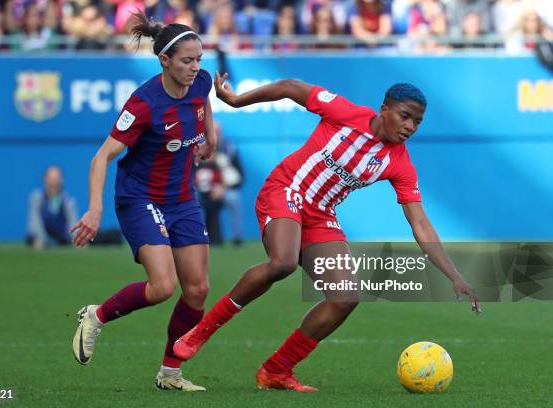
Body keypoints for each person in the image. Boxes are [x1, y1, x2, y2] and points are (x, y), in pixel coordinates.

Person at [173, 73, 481, 392]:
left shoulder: (400, 163)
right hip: (286, 190)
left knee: (345, 298)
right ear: (384, 109)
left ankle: (276, 370)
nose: (410, 127)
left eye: (417, 122)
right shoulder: (344, 112)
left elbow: (420, 223)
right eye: (405, 116)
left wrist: (455, 276)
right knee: (283, 263)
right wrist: (236, 100)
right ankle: (201, 331)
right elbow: (290, 87)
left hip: (320, 215)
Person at [70, 13, 217, 392]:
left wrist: (210, 136)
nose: (196, 67)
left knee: (198, 289)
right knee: (163, 286)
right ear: (164, 60)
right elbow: (101, 157)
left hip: (181, 197)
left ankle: (170, 373)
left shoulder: (200, 81)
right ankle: (96, 316)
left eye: (199, 58)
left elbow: (205, 101)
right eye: (187, 60)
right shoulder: (143, 104)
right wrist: (94, 208)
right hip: (140, 197)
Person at [26, 165, 78, 249]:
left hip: (61, 237)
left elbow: (73, 223)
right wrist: (42, 239)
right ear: (45, 179)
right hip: (41, 236)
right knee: (31, 238)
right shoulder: (36, 198)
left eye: (57, 177)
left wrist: (76, 240)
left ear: (62, 179)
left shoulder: (68, 201)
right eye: (51, 177)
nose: (54, 181)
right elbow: (35, 222)